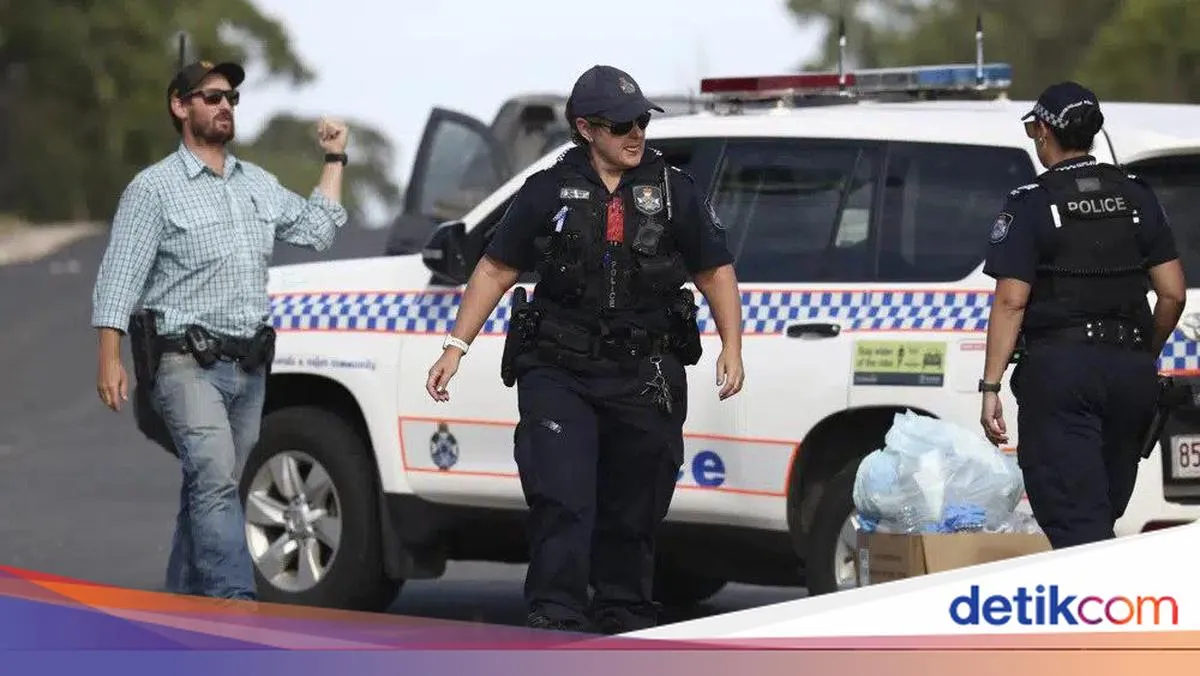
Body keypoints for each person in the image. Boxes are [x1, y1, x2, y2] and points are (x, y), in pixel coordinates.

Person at [424, 65, 744, 633]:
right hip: (560, 369)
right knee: (563, 499)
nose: (635, 133)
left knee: (636, 505)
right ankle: (557, 615)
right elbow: (496, 268)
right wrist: (455, 346)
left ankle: (623, 613)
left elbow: (715, 271)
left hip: (645, 373)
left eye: (641, 120)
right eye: (620, 124)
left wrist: (732, 346)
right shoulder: (547, 190)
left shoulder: (673, 190)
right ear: (585, 128)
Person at [91, 59, 351, 601]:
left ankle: (179, 609)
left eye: (231, 97)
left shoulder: (256, 183)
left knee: (213, 486)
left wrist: (334, 157)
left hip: (249, 366)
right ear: (180, 106)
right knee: (213, 479)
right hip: (183, 362)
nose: (225, 106)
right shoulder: (154, 189)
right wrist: (108, 355)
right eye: (211, 97)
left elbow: (317, 230)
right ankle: (234, 606)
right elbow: (120, 274)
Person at [979, 81, 1186, 550]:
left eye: (1034, 127)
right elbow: (1172, 294)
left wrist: (991, 387)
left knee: (1077, 526)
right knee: (1102, 511)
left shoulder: (1031, 202)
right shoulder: (1135, 193)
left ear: (1046, 132)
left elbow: (1011, 302)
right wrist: (1143, 353)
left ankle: (1102, 618)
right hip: (1131, 372)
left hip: (1063, 373)